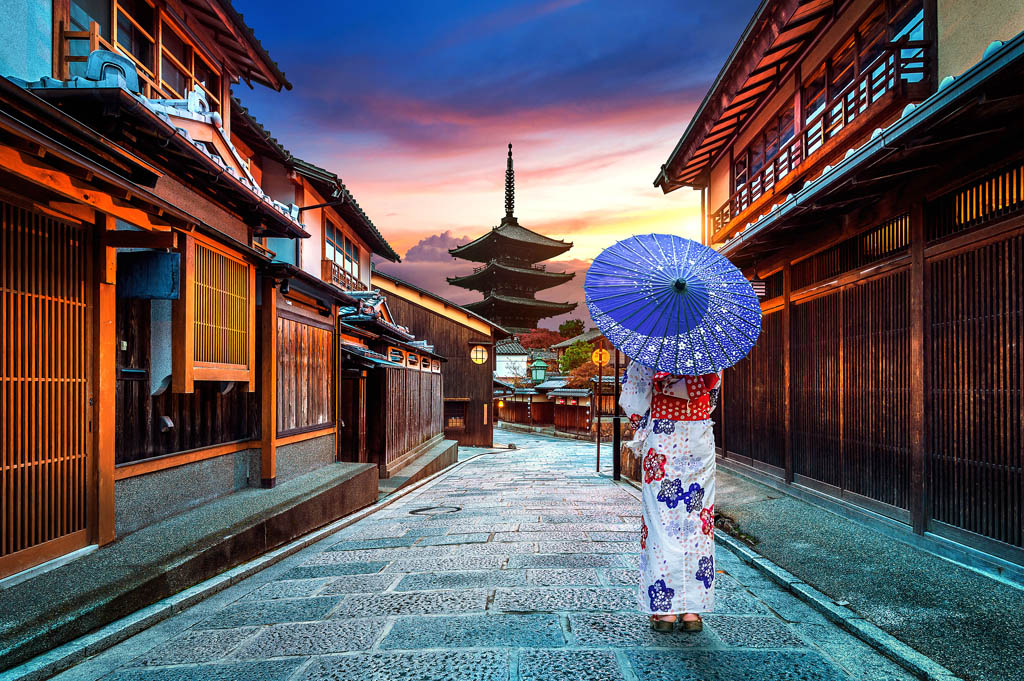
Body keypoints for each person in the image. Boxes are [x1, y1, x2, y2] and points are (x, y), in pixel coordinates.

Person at [619, 361, 721, 632]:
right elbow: (711, 399)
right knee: (698, 520)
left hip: (663, 437)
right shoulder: (708, 351)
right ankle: (692, 611)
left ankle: (664, 612)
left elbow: (633, 400)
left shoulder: (651, 350)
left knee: (662, 521)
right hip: (699, 436)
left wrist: (645, 422)